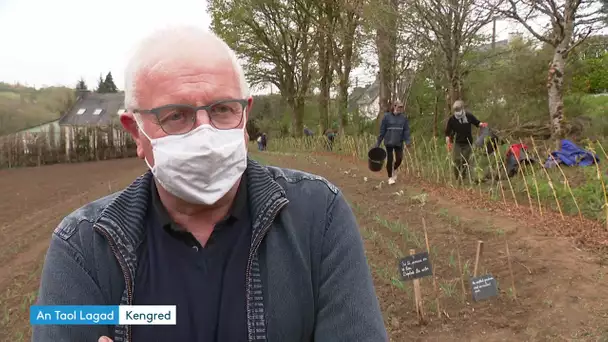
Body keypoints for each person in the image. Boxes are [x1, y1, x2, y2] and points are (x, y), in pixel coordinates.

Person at [33, 26, 387, 342]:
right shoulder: (81, 248)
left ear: (245, 115)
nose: (204, 135)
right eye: (176, 115)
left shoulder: (318, 217)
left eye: (222, 110)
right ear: (135, 132)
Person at [445, 100, 488, 183]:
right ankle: (457, 177)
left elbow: (477, 122)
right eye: (456, 110)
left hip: (467, 142)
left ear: (462, 108)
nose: (457, 112)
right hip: (457, 143)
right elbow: (447, 132)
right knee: (457, 160)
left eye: (459, 110)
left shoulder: (468, 116)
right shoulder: (452, 119)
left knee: (465, 160)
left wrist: (482, 124)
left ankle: (463, 176)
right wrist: (448, 142)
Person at [375, 100, 411, 185]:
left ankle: (394, 169)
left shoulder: (403, 118)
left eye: (401, 107)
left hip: (399, 142)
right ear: (394, 107)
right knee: (390, 160)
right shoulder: (387, 117)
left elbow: (406, 130)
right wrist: (378, 142)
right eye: (399, 107)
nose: (400, 109)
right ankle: (390, 177)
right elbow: (382, 130)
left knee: (399, 159)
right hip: (389, 141)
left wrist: (407, 141)